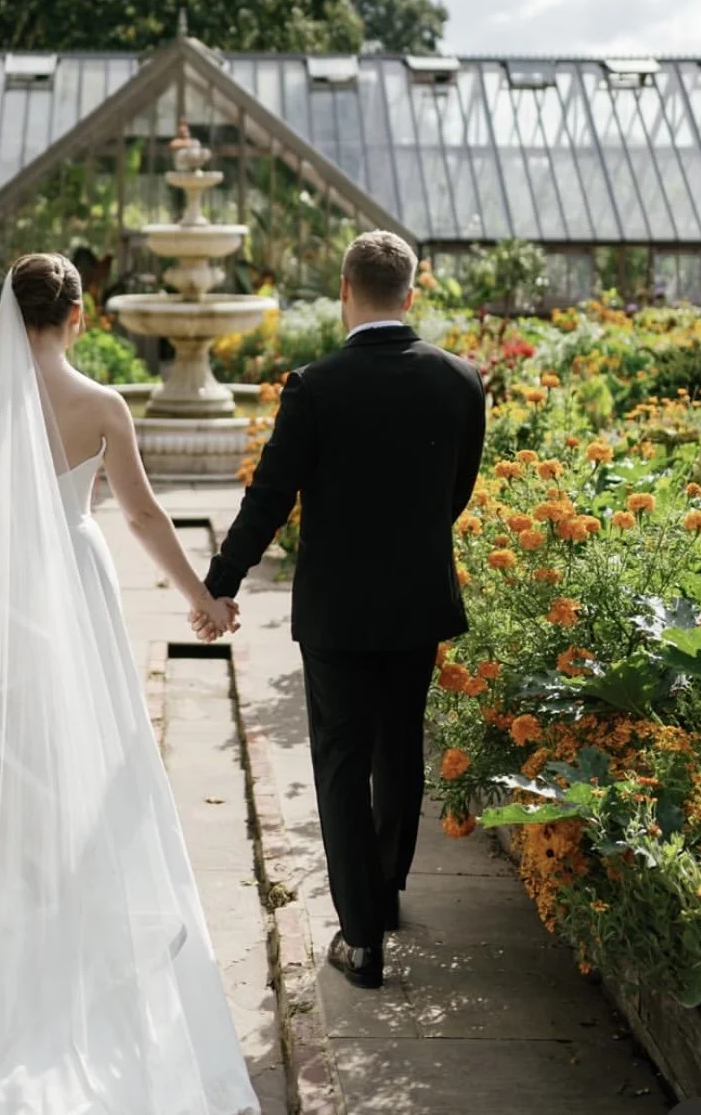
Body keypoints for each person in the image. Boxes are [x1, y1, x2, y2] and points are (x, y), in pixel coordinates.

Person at [0, 253, 257, 1114]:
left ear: (8, 313)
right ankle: (78, 949)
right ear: (77, 316)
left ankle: (0, 960)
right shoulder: (103, 406)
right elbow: (140, 514)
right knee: (89, 768)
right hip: (74, 587)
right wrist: (203, 601)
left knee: (6, 779)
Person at [193, 231, 486, 990]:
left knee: (341, 761)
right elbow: (455, 492)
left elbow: (268, 498)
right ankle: (383, 896)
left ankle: (360, 939)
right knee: (400, 749)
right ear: (410, 295)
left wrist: (220, 582)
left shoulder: (315, 386)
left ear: (345, 291)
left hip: (336, 611)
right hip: (418, 598)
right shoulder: (461, 382)